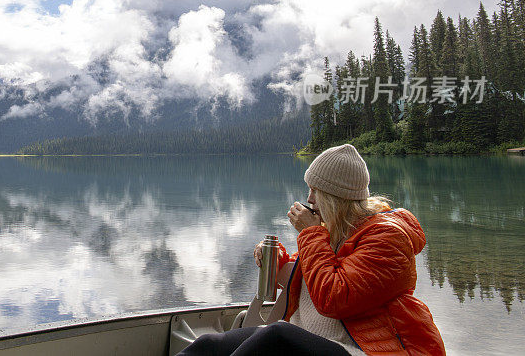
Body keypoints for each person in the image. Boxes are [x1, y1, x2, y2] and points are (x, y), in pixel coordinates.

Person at [178, 144, 445, 356]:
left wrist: (309, 233)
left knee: (275, 337)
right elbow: (307, 276)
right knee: (210, 345)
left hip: (361, 349)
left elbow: (332, 298)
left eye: (316, 191)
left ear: (337, 197)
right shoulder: (334, 228)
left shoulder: (388, 239)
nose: (308, 198)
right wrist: (276, 259)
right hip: (310, 336)